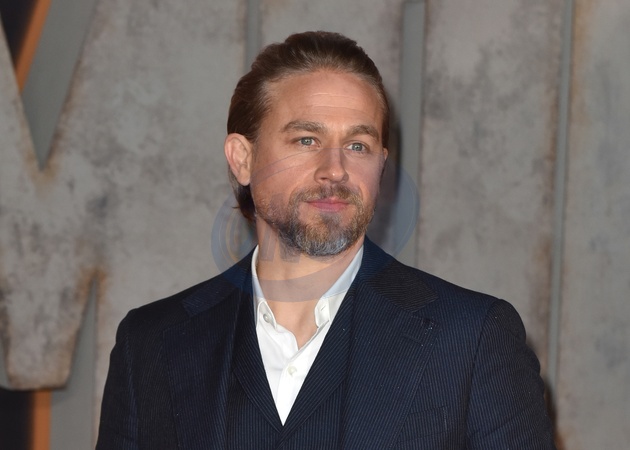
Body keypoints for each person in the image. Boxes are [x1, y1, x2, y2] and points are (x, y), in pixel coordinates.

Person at [96, 31, 556, 449]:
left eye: (358, 146)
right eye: (306, 140)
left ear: (380, 164)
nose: (335, 170)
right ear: (242, 159)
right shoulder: (150, 344)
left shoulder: (473, 340)